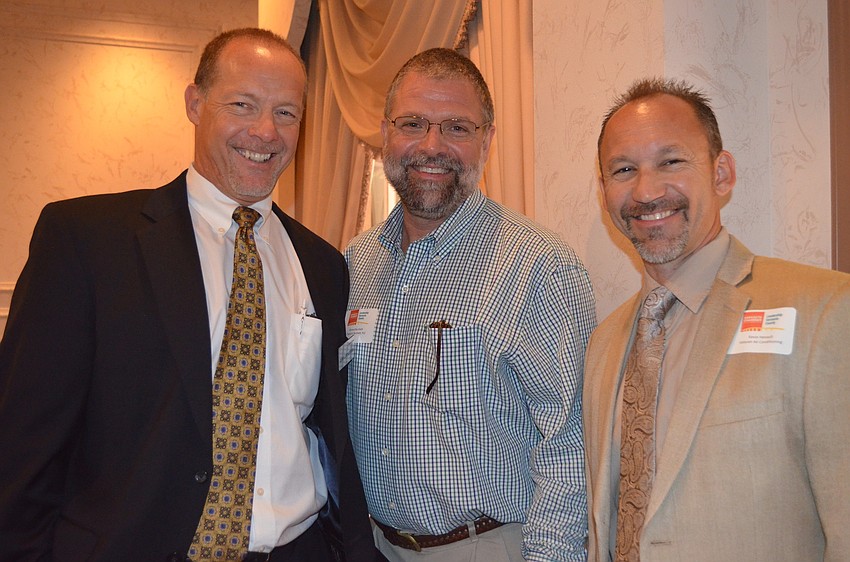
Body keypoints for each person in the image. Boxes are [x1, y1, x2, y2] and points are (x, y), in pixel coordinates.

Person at [0, 28, 380, 562]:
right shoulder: (87, 240)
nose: (265, 131)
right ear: (195, 103)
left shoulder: (323, 264)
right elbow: (22, 445)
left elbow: (326, 432)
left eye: (287, 113)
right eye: (242, 104)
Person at [343, 48, 596, 562]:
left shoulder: (538, 265)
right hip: (372, 546)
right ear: (385, 132)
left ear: (488, 139)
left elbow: (569, 444)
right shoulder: (355, 261)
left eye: (457, 127)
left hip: (487, 546)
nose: (432, 146)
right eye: (413, 123)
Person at [584, 76, 850, 562]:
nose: (647, 191)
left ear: (721, 173)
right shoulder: (604, 343)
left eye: (671, 161)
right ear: (604, 191)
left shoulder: (825, 310)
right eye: (623, 169)